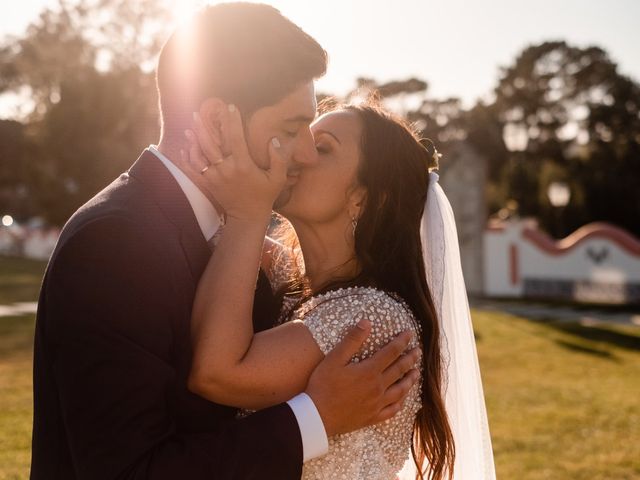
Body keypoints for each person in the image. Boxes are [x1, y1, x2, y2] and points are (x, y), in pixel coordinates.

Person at [30, 4, 419, 479]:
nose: (304, 154)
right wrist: (314, 420)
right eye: (291, 129)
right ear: (217, 124)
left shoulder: (243, 245)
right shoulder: (114, 243)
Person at [178, 99, 497, 479]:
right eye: (302, 138)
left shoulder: (369, 320)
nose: (300, 152)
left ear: (361, 197)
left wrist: (248, 214)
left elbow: (215, 373)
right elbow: (235, 241)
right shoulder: (301, 284)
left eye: (323, 147)